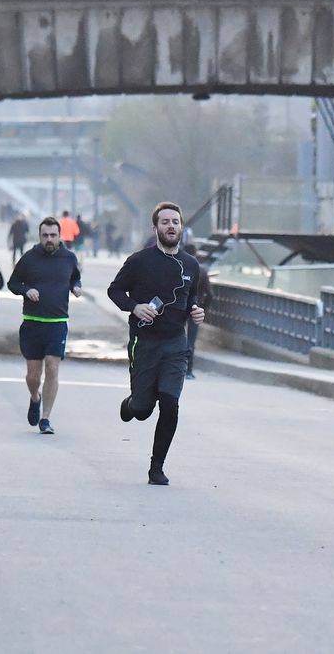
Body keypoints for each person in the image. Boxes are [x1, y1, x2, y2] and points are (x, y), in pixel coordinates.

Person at [107, 202, 205, 486]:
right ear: (156, 228)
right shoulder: (139, 261)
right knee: (142, 409)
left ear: (181, 228)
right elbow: (114, 290)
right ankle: (131, 404)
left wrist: (196, 311)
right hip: (144, 342)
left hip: (175, 344)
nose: (171, 226)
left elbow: (192, 300)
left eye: (175, 221)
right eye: (165, 222)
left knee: (170, 404)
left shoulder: (191, 265)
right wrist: (134, 306)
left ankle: (156, 467)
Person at [9, 218, 83, 434]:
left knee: (52, 367)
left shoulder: (69, 258)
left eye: (53, 235)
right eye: (45, 235)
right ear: (39, 236)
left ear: (59, 236)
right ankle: (35, 396)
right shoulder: (29, 258)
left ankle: (45, 418)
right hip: (32, 323)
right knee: (33, 376)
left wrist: (76, 287)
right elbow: (13, 283)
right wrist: (26, 290)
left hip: (57, 323)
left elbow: (75, 279)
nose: (49, 239)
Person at [184, 245, 212, 380]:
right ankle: (188, 371)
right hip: (196, 309)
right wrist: (203, 310)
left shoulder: (179, 268)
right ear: (196, 254)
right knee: (191, 341)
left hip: (180, 309)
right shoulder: (202, 271)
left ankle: (176, 367)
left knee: (176, 338)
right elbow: (210, 295)